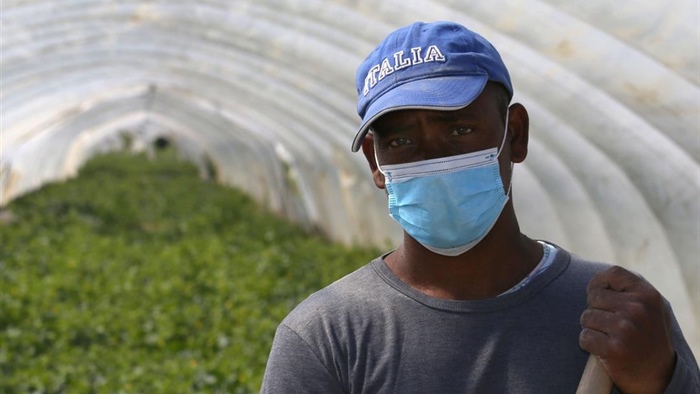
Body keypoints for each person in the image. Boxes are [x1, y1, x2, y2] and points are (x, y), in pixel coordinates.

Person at [260, 21, 699, 393]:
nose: (431, 158)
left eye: (458, 130)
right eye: (401, 141)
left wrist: (657, 380)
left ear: (516, 134)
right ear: (376, 162)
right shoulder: (327, 338)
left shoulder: (618, 315)